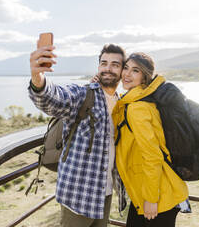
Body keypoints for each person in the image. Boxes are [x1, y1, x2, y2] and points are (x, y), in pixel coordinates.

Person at [28, 42, 126, 227]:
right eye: (104, 63)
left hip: (104, 193)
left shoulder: (121, 104)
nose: (108, 68)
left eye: (115, 64)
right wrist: (37, 79)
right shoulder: (83, 95)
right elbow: (54, 97)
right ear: (98, 67)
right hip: (78, 195)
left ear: (122, 70)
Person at [112, 52, 190, 227]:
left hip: (158, 196)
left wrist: (151, 199)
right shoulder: (137, 101)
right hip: (147, 191)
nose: (127, 74)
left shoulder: (137, 109)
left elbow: (153, 156)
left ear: (145, 77)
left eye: (135, 71)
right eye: (126, 68)